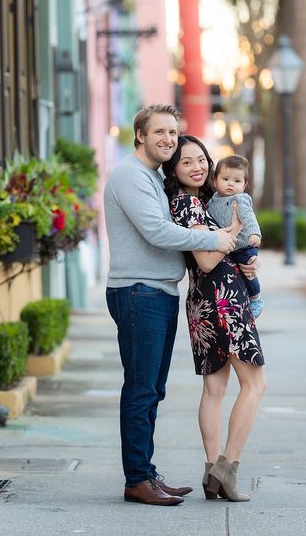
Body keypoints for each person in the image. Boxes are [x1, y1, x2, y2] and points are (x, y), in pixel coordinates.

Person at [104, 104, 255, 506]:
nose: (168, 139)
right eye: (160, 133)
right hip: (138, 291)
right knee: (141, 389)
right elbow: (156, 231)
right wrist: (217, 240)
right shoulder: (130, 176)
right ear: (140, 135)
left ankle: (146, 473)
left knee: (153, 389)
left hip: (157, 291)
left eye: (173, 132)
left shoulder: (153, 177)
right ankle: (137, 479)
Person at [163, 135, 266, 502]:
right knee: (254, 385)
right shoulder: (189, 204)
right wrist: (238, 231)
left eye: (201, 159)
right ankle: (227, 468)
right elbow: (207, 260)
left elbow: (223, 252)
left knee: (215, 390)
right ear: (174, 169)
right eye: (186, 161)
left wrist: (248, 261)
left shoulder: (205, 200)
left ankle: (211, 472)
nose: (197, 166)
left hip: (206, 300)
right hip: (222, 300)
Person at [207, 155, 264, 318]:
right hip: (230, 245)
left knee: (248, 271)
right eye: (226, 179)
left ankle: (256, 298)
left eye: (237, 181)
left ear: (244, 185)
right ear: (215, 180)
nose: (231, 184)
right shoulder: (213, 200)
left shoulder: (239, 199)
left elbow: (248, 217)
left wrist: (254, 233)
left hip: (244, 245)